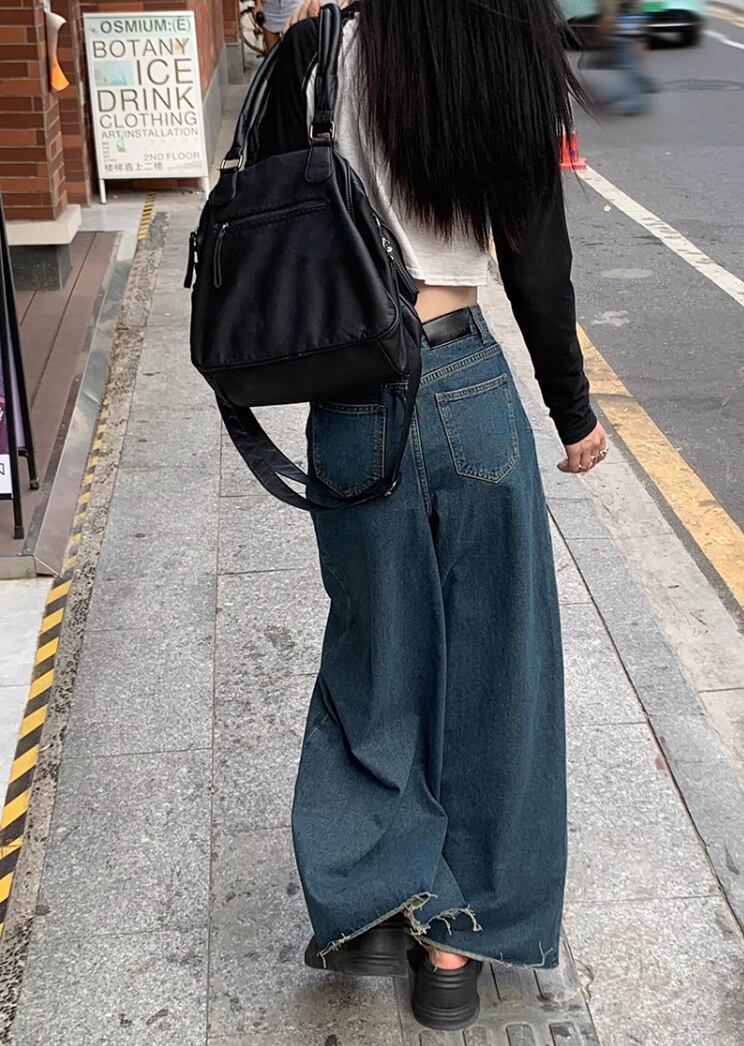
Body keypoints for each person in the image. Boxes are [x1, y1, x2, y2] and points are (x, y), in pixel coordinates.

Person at [254, 0, 607, 1030]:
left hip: (351, 400)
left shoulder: (323, 49)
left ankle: (369, 899)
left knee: (375, 650)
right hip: (468, 385)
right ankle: (454, 947)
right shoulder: (504, 44)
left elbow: (272, 213)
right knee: (498, 664)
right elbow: (535, 256)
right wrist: (573, 410)